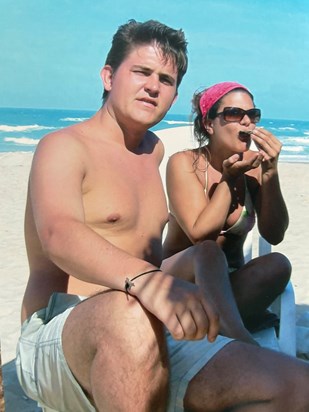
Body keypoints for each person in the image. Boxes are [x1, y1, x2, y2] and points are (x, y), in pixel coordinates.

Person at [15, 19, 309, 412]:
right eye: (141, 72)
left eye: (166, 80)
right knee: (128, 317)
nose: (153, 86)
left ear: (173, 96)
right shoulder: (63, 146)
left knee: (294, 385)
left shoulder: (152, 151)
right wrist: (148, 282)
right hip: (61, 329)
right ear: (107, 76)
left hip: (152, 326)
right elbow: (58, 233)